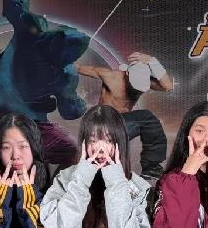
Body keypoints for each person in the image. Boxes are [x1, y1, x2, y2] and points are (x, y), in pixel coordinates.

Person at [0, 0, 90, 166]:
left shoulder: (29, 35)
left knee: (20, 164)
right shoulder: (67, 74)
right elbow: (70, 111)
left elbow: (14, 6)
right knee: (70, 152)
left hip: (14, 119)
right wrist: (82, 103)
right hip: (28, 123)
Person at [75, 52, 174, 180]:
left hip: (121, 126)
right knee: (145, 116)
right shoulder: (110, 76)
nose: (136, 88)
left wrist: (152, 61)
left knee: (148, 120)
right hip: (103, 123)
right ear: (127, 73)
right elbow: (78, 68)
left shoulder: (145, 81)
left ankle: (151, 167)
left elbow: (168, 86)